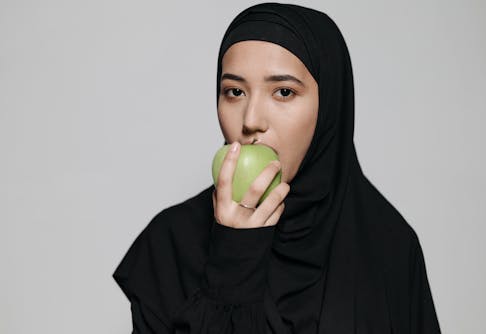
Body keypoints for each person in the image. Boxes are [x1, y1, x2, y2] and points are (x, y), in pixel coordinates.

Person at [112, 3, 441, 333]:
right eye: (234, 92)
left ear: (328, 106)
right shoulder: (170, 243)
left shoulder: (388, 247)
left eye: (283, 92)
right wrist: (232, 264)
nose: (252, 120)